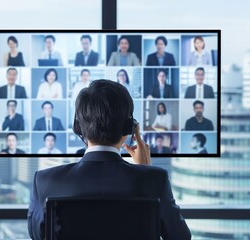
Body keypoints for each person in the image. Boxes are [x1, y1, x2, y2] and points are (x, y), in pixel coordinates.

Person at [28, 80, 190, 240]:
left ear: (78, 127)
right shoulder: (154, 179)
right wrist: (144, 173)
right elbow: (180, 237)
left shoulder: (45, 181)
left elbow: (37, 236)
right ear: (128, 127)